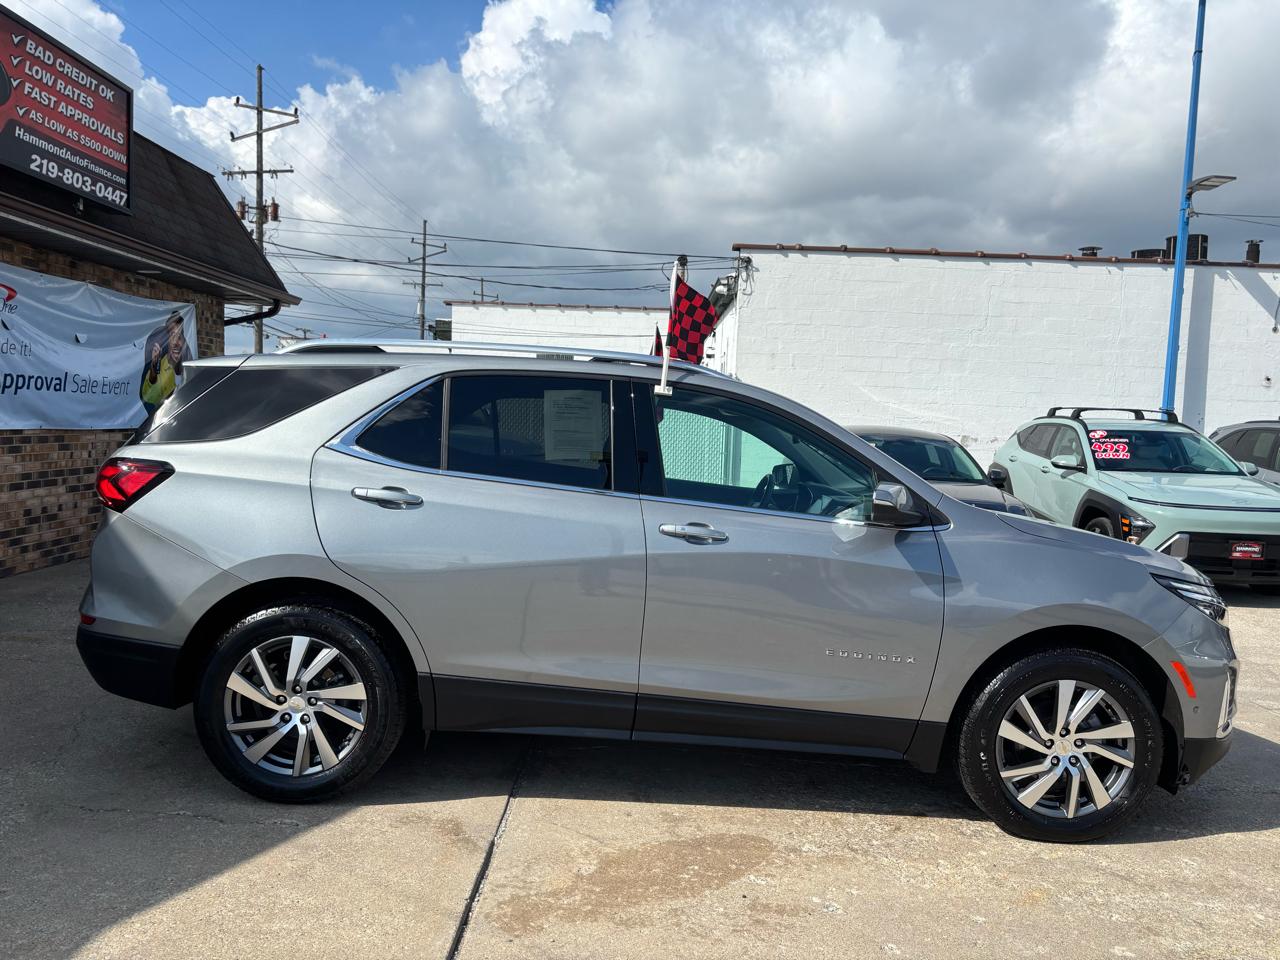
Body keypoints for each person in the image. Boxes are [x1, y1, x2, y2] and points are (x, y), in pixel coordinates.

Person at [140, 311, 191, 413]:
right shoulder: (160, 366)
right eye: (172, 336)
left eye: (179, 336)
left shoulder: (189, 368)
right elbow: (149, 397)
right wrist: (154, 366)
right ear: (167, 341)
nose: (176, 342)